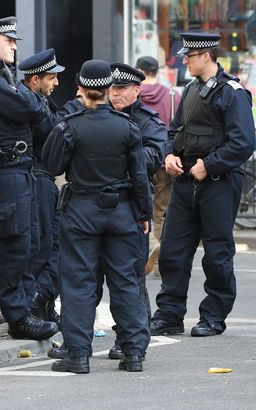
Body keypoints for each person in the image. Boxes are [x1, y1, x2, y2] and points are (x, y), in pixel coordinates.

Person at [43, 60, 152, 374]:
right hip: (121, 211)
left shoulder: (70, 126)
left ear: (80, 87)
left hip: (81, 211)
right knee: (126, 282)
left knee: (78, 284)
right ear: (108, 89)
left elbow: (51, 165)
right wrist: (143, 213)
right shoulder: (127, 126)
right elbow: (140, 176)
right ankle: (133, 353)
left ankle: (77, 355)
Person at [150, 32, 255, 337]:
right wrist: (169, 154)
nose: (184, 60)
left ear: (206, 56)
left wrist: (209, 165)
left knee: (217, 253)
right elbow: (174, 129)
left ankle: (213, 315)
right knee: (173, 251)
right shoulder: (191, 89)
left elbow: (243, 143)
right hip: (185, 180)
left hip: (218, 182)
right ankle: (169, 314)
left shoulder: (233, 92)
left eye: (190, 56)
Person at [0, 16, 57, 340]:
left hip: (22, 168)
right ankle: (17, 315)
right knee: (13, 243)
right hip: (3, 170)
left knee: (29, 242)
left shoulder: (6, 75)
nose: (15, 46)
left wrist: (30, 100)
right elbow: (28, 108)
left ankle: (27, 309)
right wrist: (29, 101)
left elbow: (34, 106)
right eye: (9, 40)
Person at [104, 62, 167, 358]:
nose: (114, 94)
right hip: (99, 204)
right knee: (90, 275)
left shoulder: (147, 121)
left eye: (121, 89)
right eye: (111, 89)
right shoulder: (100, 114)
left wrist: (115, 152)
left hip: (131, 205)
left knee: (130, 276)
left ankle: (130, 339)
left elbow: (153, 157)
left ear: (136, 90)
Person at [17, 48, 66, 327]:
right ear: (35, 80)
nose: (56, 83)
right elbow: (52, 131)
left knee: (53, 243)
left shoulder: (42, 101)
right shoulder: (32, 105)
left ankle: (45, 301)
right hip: (38, 178)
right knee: (44, 243)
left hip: (46, 177)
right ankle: (38, 300)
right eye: (51, 78)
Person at [135, 56, 181, 276]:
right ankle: (162, 262)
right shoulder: (173, 96)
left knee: (136, 207)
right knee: (161, 211)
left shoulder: (130, 93)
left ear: (139, 71)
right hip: (164, 159)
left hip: (137, 158)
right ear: (156, 71)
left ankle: (142, 253)